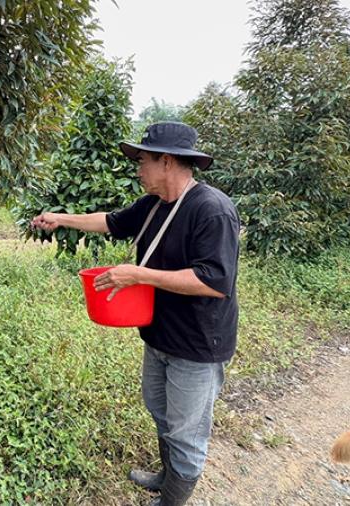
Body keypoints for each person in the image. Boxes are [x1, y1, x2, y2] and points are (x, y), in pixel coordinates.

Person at [31, 122, 240, 506]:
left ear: (167, 161)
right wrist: (61, 218)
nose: (138, 169)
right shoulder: (153, 205)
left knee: (187, 433)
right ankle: (166, 476)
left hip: (198, 343)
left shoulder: (212, 210)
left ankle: (172, 499)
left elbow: (214, 281)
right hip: (159, 333)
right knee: (160, 411)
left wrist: (139, 275)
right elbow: (110, 222)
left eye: (143, 161)